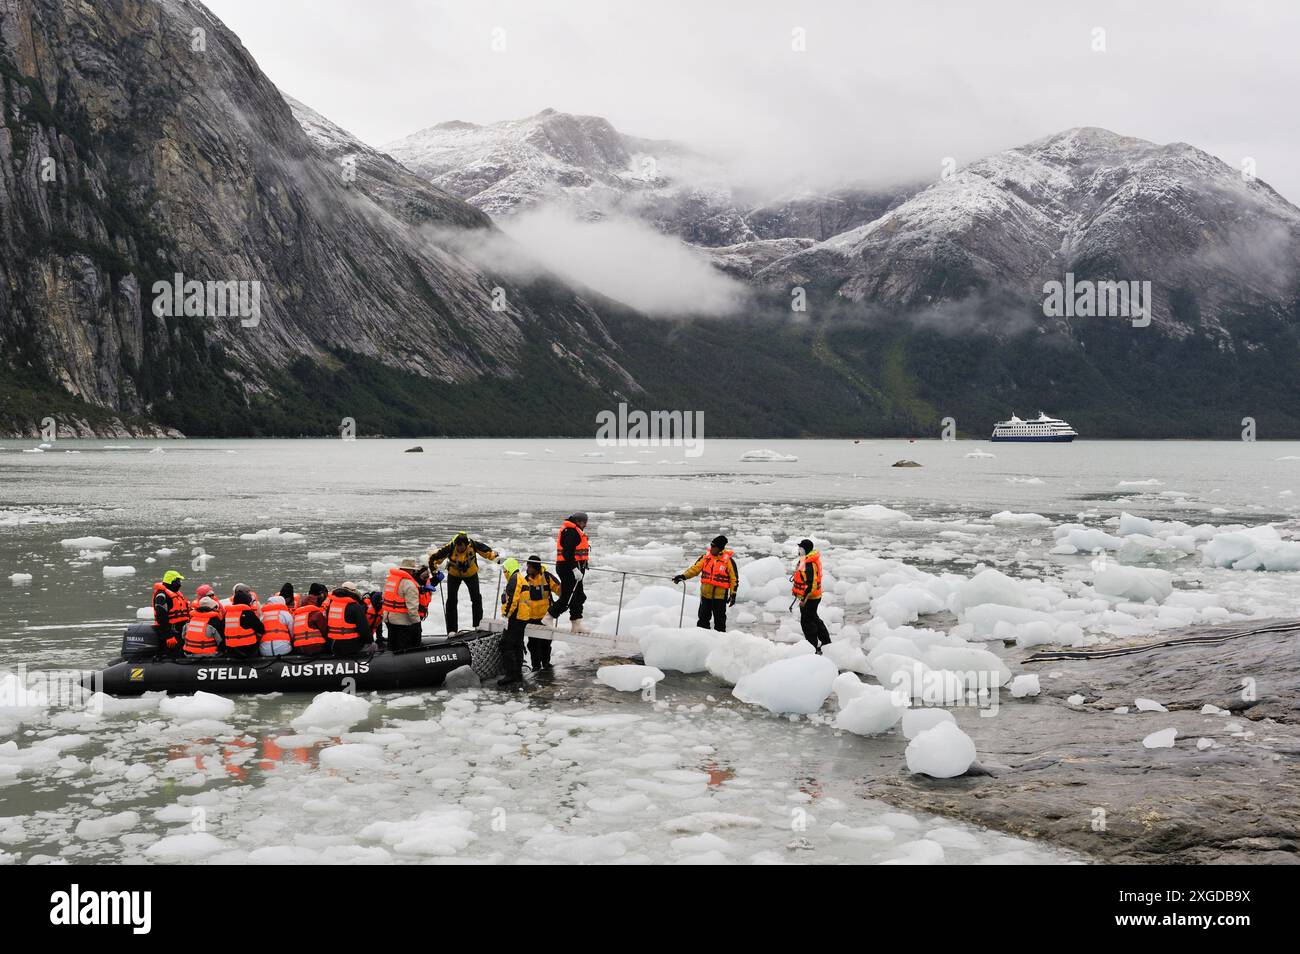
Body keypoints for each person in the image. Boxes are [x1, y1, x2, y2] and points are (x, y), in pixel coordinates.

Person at [500, 555, 560, 687]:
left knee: (545, 643)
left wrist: (559, 606)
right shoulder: (525, 580)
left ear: (537, 567)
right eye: (527, 566)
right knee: (532, 645)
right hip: (530, 618)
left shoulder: (547, 577)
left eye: (530, 567)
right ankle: (536, 667)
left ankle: (546, 665)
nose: (528, 569)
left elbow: (560, 590)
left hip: (545, 618)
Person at [428, 532, 500, 632]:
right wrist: (435, 572)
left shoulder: (473, 545)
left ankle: (478, 626)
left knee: (476, 599)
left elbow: (487, 551)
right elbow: (433, 559)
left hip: (471, 575)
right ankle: (452, 630)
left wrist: (495, 557)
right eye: (458, 547)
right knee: (451, 601)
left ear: (466, 545)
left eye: (461, 547)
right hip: (454, 575)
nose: (459, 549)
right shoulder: (450, 547)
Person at [673, 535, 739, 632]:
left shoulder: (728, 561)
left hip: (720, 598)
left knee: (720, 624)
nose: (711, 548)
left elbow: (734, 579)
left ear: (719, 548)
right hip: (705, 596)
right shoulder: (705, 558)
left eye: (713, 546)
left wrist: (733, 594)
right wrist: (683, 576)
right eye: (711, 545)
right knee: (702, 621)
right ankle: (702, 641)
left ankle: (720, 643)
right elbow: (695, 569)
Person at [548, 512, 589, 632]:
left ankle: (576, 623)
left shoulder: (575, 530)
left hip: (575, 569)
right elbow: (567, 553)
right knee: (567, 596)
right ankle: (549, 616)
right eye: (583, 522)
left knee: (579, 596)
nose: (585, 525)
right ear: (578, 521)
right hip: (568, 569)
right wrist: (574, 569)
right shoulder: (571, 532)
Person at [792, 539, 831, 653]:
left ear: (806, 549)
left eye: (801, 548)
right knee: (814, 618)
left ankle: (812, 647)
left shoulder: (810, 563)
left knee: (807, 623)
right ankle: (826, 642)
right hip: (811, 597)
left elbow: (811, 584)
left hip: (810, 598)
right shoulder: (805, 560)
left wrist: (804, 599)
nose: (799, 550)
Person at [381, 559, 425, 651]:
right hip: (402, 622)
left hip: (388, 619)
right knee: (404, 649)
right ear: (410, 570)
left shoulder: (390, 580)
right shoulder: (409, 584)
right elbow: (412, 608)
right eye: (413, 571)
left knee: (392, 646)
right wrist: (417, 623)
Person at [326, 582, 371, 656]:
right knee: (372, 646)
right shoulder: (354, 606)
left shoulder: (331, 604)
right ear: (352, 592)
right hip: (350, 645)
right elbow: (364, 628)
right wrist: (369, 641)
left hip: (333, 644)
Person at [152, 570, 190, 655]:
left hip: (179, 631)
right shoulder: (162, 596)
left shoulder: (176, 594)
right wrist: (168, 636)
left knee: (181, 652)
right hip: (171, 632)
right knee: (173, 654)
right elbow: (161, 617)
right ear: (171, 581)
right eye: (178, 581)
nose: (179, 583)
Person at [222, 584, 265, 659]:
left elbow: (221, 630)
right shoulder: (248, 613)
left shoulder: (227, 614)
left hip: (231, 651)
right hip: (248, 651)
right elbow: (261, 629)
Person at [292, 583, 329, 655]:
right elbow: (325, 632)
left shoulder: (297, 614)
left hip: (299, 649)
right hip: (315, 648)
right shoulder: (317, 614)